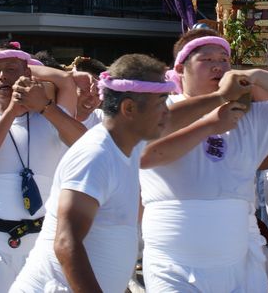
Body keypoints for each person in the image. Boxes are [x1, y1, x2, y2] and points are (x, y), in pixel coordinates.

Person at [139, 28, 268, 292]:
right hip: (173, 263)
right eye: (207, 60)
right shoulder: (161, 108)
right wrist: (217, 102)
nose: (218, 66)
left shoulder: (248, 116)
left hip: (237, 260)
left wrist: (255, 75)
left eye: (224, 60)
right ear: (180, 69)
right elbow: (149, 135)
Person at [11, 54, 175, 292]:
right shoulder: (96, 155)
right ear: (128, 108)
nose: (166, 113)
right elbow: (67, 244)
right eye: (160, 104)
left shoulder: (128, 145)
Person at [0, 43, 90, 293]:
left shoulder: (50, 114)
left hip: (41, 242)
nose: (3, 77)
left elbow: (86, 145)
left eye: (11, 69)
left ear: (29, 75)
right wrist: (10, 112)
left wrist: (45, 106)